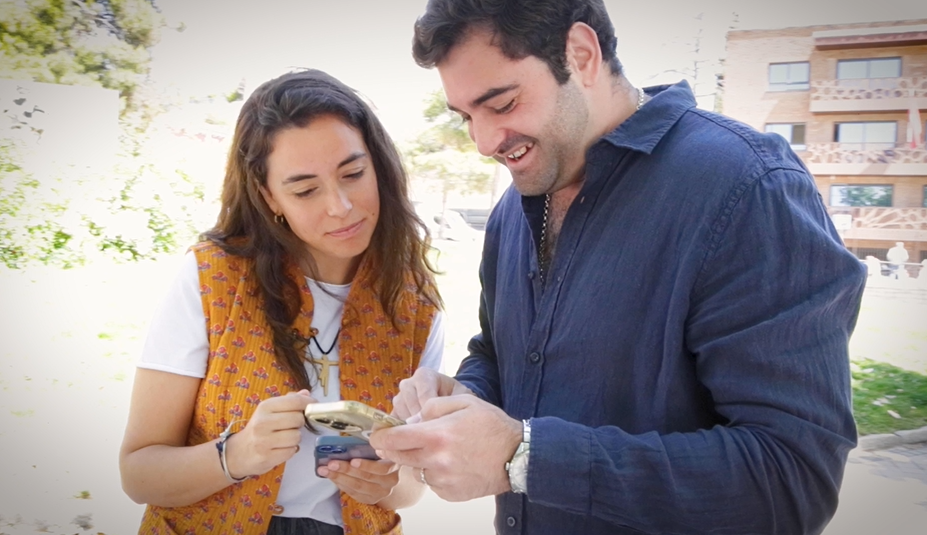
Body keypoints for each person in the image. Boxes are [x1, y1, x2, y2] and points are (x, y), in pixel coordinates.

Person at [369, 1, 867, 534]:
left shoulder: (746, 187)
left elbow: (793, 481)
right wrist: (466, 397)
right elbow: (501, 352)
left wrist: (525, 458)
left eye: (503, 103)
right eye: (467, 117)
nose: (485, 142)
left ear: (581, 55)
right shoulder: (512, 211)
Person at [119, 69, 444, 535]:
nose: (341, 206)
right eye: (306, 189)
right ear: (269, 196)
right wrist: (238, 454)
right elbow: (139, 471)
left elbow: (411, 485)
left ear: (379, 166)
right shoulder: (213, 278)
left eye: (353, 174)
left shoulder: (414, 304)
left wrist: (385, 482)